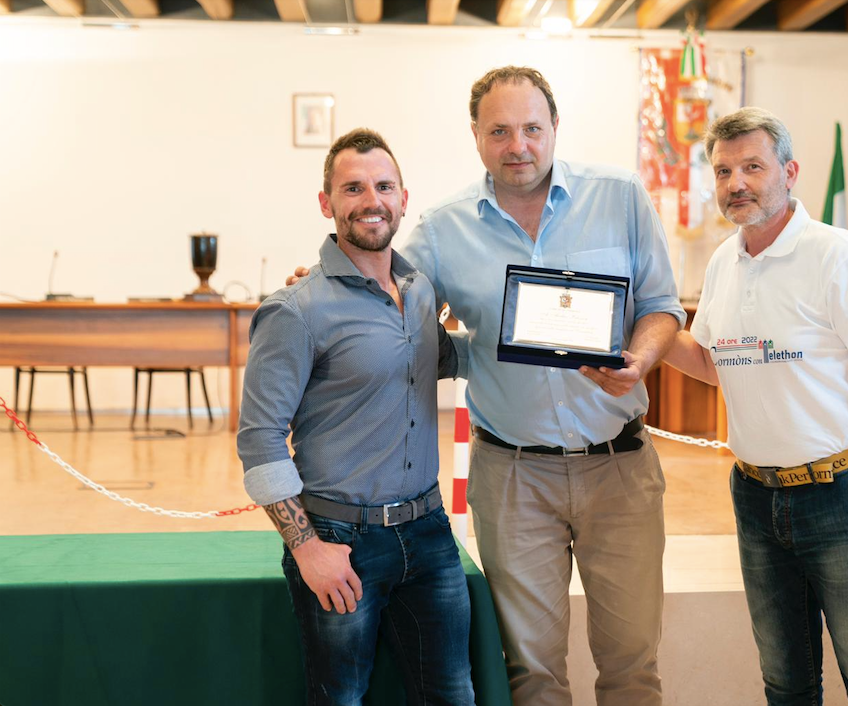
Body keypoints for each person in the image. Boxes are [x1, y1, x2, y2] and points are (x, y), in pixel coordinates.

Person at [290, 67, 684, 705]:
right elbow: (385, 292)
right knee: (532, 672)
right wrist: (320, 284)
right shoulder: (444, 229)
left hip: (621, 470)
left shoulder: (620, 196)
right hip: (513, 479)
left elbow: (663, 306)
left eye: (531, 128)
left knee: (633, 668)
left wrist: (638, 361)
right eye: (499, 131)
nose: (517, 145)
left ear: (555, 126)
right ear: (475, 135)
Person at [664, 107, 848, 706]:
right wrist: (637, 326)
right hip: (756, 498)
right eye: (723, 171)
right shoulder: (723, 262)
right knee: (786, 685)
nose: (736, 183)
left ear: (790, 172)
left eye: (752, 167)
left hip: (843, 496)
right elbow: (712, 365)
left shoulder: (837, 256)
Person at [238, 128, 475, 706]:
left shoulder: (420, 293)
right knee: (340, 698)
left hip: (429, 533)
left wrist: (557, 342)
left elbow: (448, 358)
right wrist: (307, 549)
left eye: (384, 186)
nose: (372, 200)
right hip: (339, 539)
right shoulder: (295, 310)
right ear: (327, 203)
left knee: (453, 696)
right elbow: (260, 441)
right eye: (353, 188)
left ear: (403, 198)